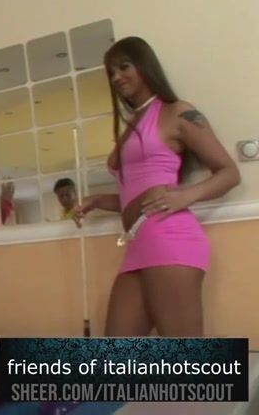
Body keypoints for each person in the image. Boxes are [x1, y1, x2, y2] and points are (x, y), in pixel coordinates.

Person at [74, 36, 239, 337]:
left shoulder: (177, 112)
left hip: (169, 238)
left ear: (145, 65)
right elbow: (134, 196)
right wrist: (96, 200)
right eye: (111, 72)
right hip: (138, 243)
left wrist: (186, 195)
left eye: (124, 66)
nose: (116, 77)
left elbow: (229, 173)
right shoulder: (132, 125)